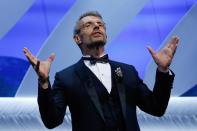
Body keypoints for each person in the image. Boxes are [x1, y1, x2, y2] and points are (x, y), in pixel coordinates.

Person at [23, 11, 179, 131]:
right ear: (77, 39)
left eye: (100, 24)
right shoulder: (65, 78)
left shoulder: (128, 71)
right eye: (88, 25)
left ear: (106, 35)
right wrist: (43, 82)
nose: (97, 26)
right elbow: (51, 121)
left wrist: (163, 71)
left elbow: (156, 108)